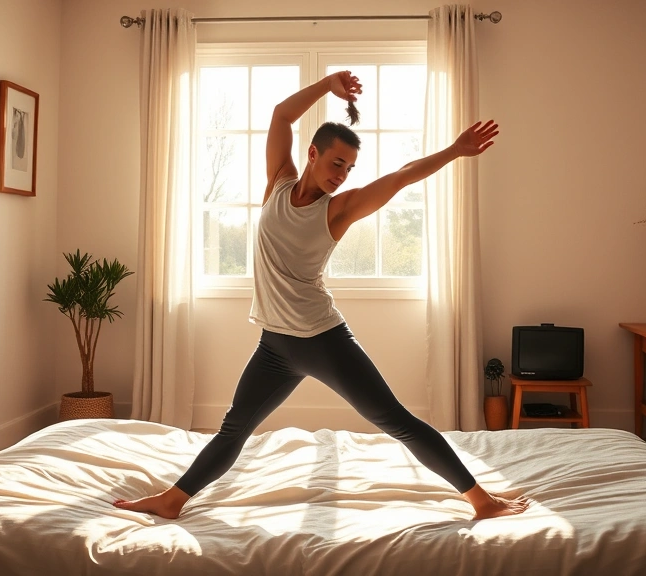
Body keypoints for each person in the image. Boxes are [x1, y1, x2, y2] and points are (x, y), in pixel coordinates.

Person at [114, 71, 529, 521]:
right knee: (235, 427)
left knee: (394, 419)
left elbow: (402, 176)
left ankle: (481, 500)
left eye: (349, 168)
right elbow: (281, 116)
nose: (342, 174)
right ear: (312, 154)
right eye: (336, 163)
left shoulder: (339, 209)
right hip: (274, 344)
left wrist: (455, 150)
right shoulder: (278, 182)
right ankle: (173, 501)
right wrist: (328, 83)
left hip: (321, 341)